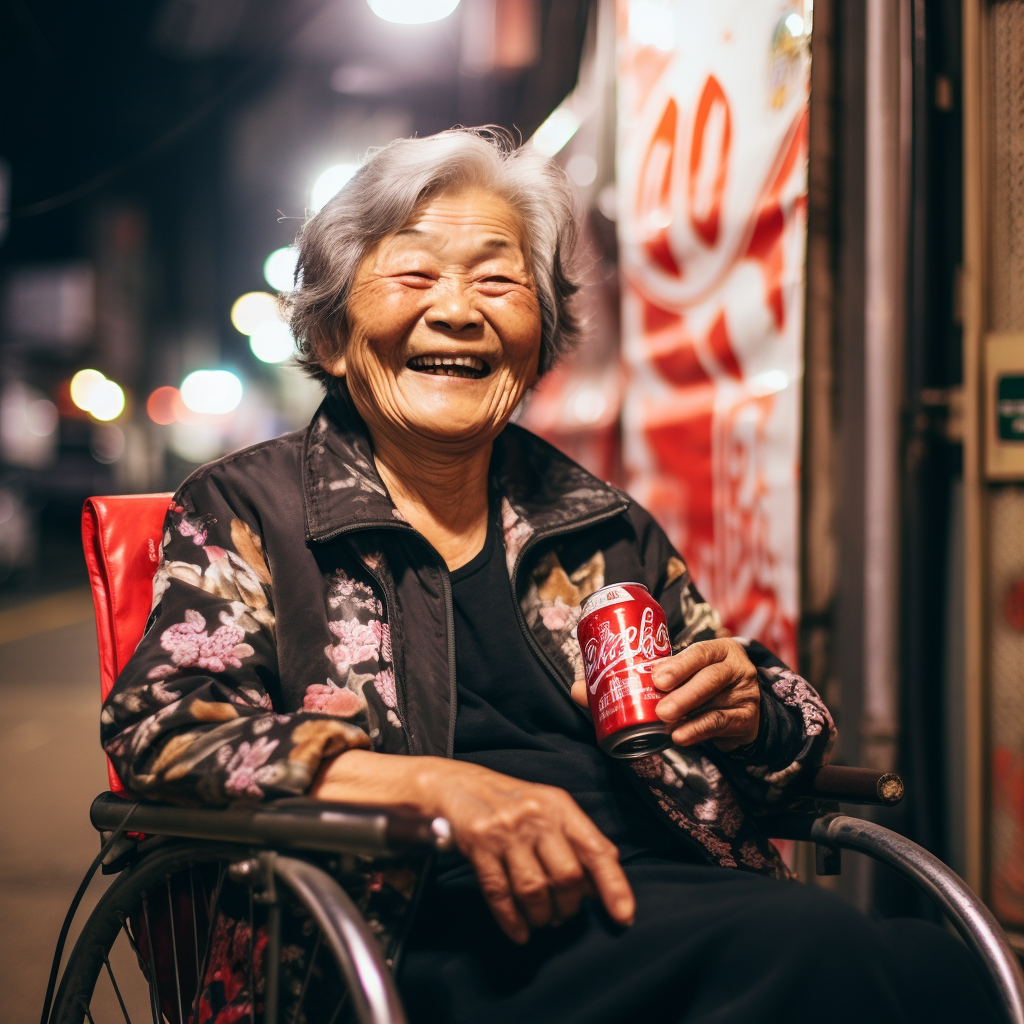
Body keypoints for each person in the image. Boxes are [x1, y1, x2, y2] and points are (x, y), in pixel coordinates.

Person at [102, 128, 999, 1024]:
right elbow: (162, 728)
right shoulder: (251, 508)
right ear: (334, 336)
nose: (458, 311)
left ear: (539, 342)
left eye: (498, 281)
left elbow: (791, 746)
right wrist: (437, 787)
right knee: (822, 953)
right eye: (414, 276)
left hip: (644, 895)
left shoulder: (595, 519)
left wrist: (752, 705)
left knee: (938, 968)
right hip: (408, 928)